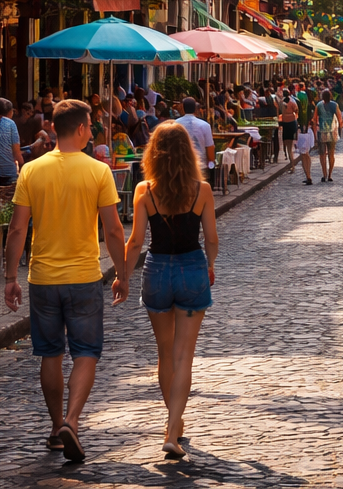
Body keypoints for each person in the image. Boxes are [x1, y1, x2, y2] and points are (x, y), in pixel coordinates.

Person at [3, 99, 128, 463]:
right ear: (81, 129)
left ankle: (56, 426)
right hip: (84, 277)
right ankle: (72, 421)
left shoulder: (31, 171)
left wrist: (11, 277)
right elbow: (114, 230)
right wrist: (121, 273)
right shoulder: (98, 171)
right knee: (86, 352)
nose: (92, 131)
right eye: (90, 125)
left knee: (50, 353)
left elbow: (17, 229)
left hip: (43, 278)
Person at [117, 121, 217, 460]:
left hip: (157, 271)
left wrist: (123, 277)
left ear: (153, 154)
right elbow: (212, 240)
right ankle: (173, 429)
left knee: (164, 354)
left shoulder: (145, 191)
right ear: (188, 153)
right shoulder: (201, 190)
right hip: (191, 269)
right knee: (183, 356)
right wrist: (211, 265)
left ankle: (173, 424)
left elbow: (135, 241)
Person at [176, 97, 215, 171]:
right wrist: (211, 162)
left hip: (181, 166)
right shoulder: (205, 125)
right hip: (200, 166)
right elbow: (210, 147)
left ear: (183, 109)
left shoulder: (175, 124)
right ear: (195, 109)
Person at [315, 89, 339, 182]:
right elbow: (340, 119)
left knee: (322, 155)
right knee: (331, 154)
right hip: (332, 132)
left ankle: (324, 174)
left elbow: (314, 119)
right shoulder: (335, 105)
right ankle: (330, 175)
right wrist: (339, 130)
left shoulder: (319, 105)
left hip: (321, 132)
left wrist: (314, 131)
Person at [279, 91, 300, 164]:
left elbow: (280, 111)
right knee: (290, 146)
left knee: (287, 144)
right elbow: (296, 110)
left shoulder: (281, 102)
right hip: (292, 123)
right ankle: (292, 163)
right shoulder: (292, 102)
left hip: (285, 123)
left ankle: (291, 163)